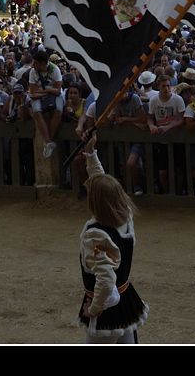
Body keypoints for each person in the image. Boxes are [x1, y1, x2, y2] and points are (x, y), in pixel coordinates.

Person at [78, 132, 148, 344]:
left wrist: (94, 308)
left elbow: (106, 278)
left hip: (106, 306)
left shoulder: (95, 234)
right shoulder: (125, 214)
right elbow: (101, 183)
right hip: (126, 297)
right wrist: (90, 152)